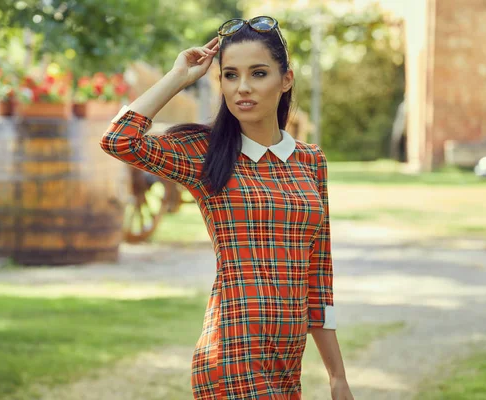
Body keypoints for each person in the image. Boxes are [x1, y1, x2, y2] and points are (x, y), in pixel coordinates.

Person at [100, 16, 354, 400]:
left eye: (258, 73)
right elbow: (119, 139)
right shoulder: (206, 154)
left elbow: (318, 278)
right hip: (232, 357)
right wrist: (178, 76)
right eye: (230, 76)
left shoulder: (310, 161)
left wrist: (337, 377)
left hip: (287, 364)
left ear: (286, 80)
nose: (243, 88)